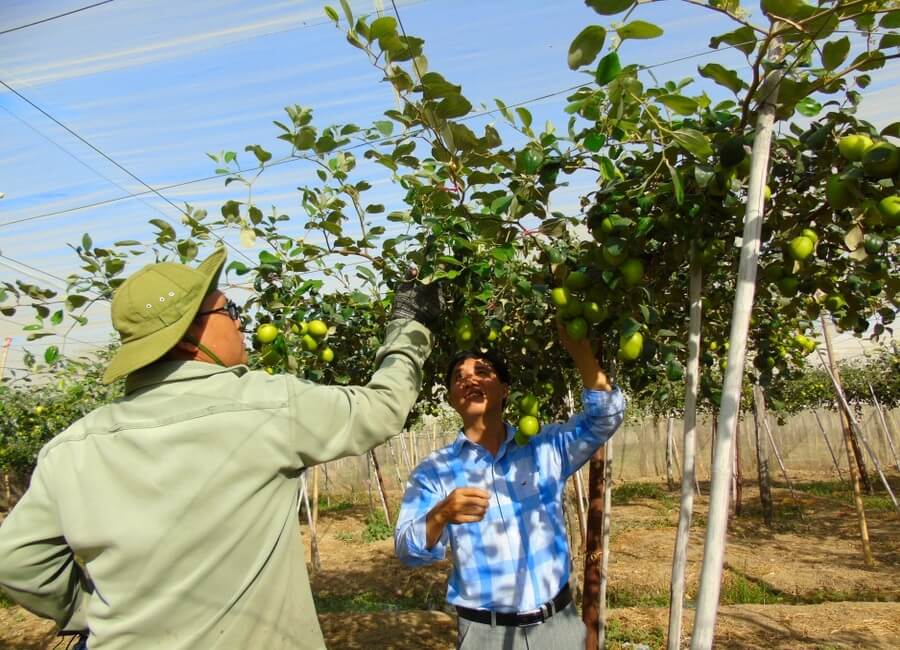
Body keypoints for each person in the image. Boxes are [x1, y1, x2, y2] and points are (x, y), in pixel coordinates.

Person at [0, 247, 441, 650]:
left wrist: (89, 610)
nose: (240, 322)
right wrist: (409, 325)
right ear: (195, 331)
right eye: (228, 310)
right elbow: (382, 408)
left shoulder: (72, 447)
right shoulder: (269, 406)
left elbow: (17, 561)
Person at [394, 326, 624, 649]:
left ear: (504, 389)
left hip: (558, 626)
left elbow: (606, 417)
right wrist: (440, 514)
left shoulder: (544, 448)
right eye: (459, 377)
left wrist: (582, 354)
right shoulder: (435, 471)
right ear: (450, 399)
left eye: (482, 372)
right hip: (484, 634)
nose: (470, 380)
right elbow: (406, 549)